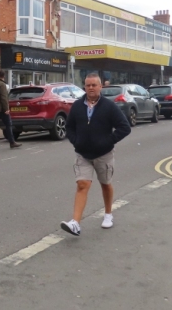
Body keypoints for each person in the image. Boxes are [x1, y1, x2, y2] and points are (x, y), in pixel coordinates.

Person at [60, 73, 131, 236]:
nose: (91, 88)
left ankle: (108, 214)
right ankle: (75, 223)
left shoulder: (109, 106)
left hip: (103, 154)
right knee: (82, 184)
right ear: (84, 87)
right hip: (82, 154)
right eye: (88, 85)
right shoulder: (77, 106)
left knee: (105, 184)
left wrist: (108, 141)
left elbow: (124, 127)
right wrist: (75, 141)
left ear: (100, 87)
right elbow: (69, 127)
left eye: (94, 85)